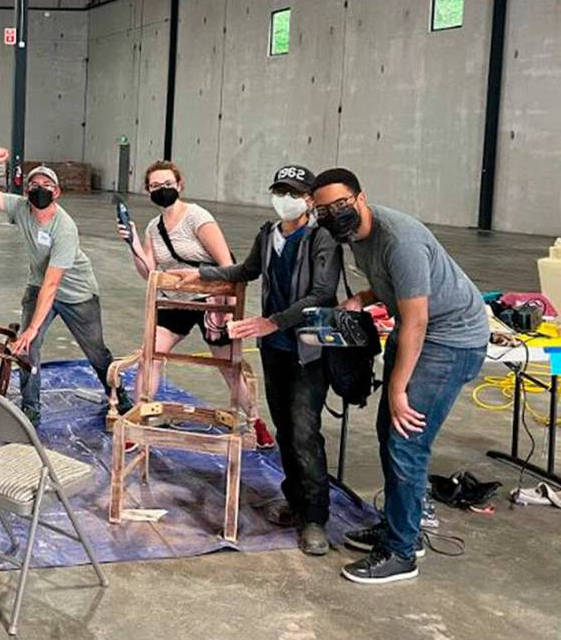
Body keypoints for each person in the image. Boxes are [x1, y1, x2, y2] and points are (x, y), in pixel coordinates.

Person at [310, 168, 488, 584]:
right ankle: (398, 525)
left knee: (406, 437)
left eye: (341, 205)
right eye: (323, 210)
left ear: (360, 198)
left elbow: (417, 321)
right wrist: (360, 297)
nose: (334, 215)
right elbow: (390, 283)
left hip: (450, 339)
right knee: (388, 429)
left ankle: (401, 552)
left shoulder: (399, 239)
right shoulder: (356, 236)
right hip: (425, 331)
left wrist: (397, 388)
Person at [174, 164, 340, 554]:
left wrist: (272, 322)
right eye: (280, 190)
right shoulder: (269, 235)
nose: (285, 199)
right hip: (274, 350)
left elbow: (321, 294)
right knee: (285, 429)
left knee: (304, 432)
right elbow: (245, 270)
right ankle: (294, 500)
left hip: (306, 350)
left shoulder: (322, 239)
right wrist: (200, 275)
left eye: (294, 192)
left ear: (310, 200)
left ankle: (314, 518)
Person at [0, 147, 133, 427]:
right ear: (26, 191)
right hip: (38, 285)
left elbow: (53, 283)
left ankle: (121, 399)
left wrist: (33, 327)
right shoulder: (20, 207)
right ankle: (31, 408)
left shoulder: (65, 228)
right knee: (26, 347)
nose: (40, 190)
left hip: (76, 294)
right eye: (34, 185)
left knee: (96, 352)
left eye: (47, 186)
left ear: (57, 193)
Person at [118, 160, 273, 448]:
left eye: (167, 184)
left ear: (179, 184)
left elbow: (228, 265)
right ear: (147, 190)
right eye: (154, 186)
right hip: (174, 301)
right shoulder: (154, 226)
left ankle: (255, 422)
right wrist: (134, 245)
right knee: (150, 357)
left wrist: (228, 308)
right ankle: (136, 421)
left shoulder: (197, 217)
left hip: (211, 300)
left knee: (228, 364)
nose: (161, 190)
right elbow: (149, 272)